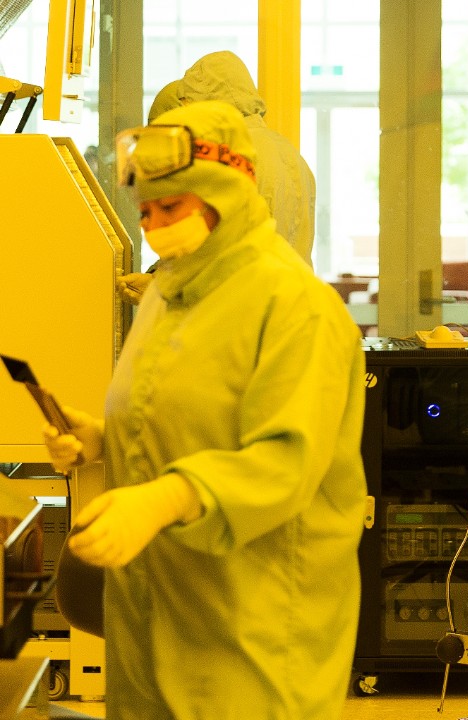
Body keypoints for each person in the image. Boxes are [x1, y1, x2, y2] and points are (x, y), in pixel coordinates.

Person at [42, 100, 366, 719]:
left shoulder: (295, 306)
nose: (156, 225)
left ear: (227, 194)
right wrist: (103, 439)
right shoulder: (171, 291)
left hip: (253, 622)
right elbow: (184, 412)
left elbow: (284, 462)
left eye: (173, 207)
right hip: (159, 607)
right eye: (146, 211)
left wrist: (164, 498)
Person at [120, 50, 318, 303]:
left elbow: (227, 261)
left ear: (211, 103)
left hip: (246, 315)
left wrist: (162, 289)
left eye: (188, 106)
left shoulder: (232, 157)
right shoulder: (287, 153)